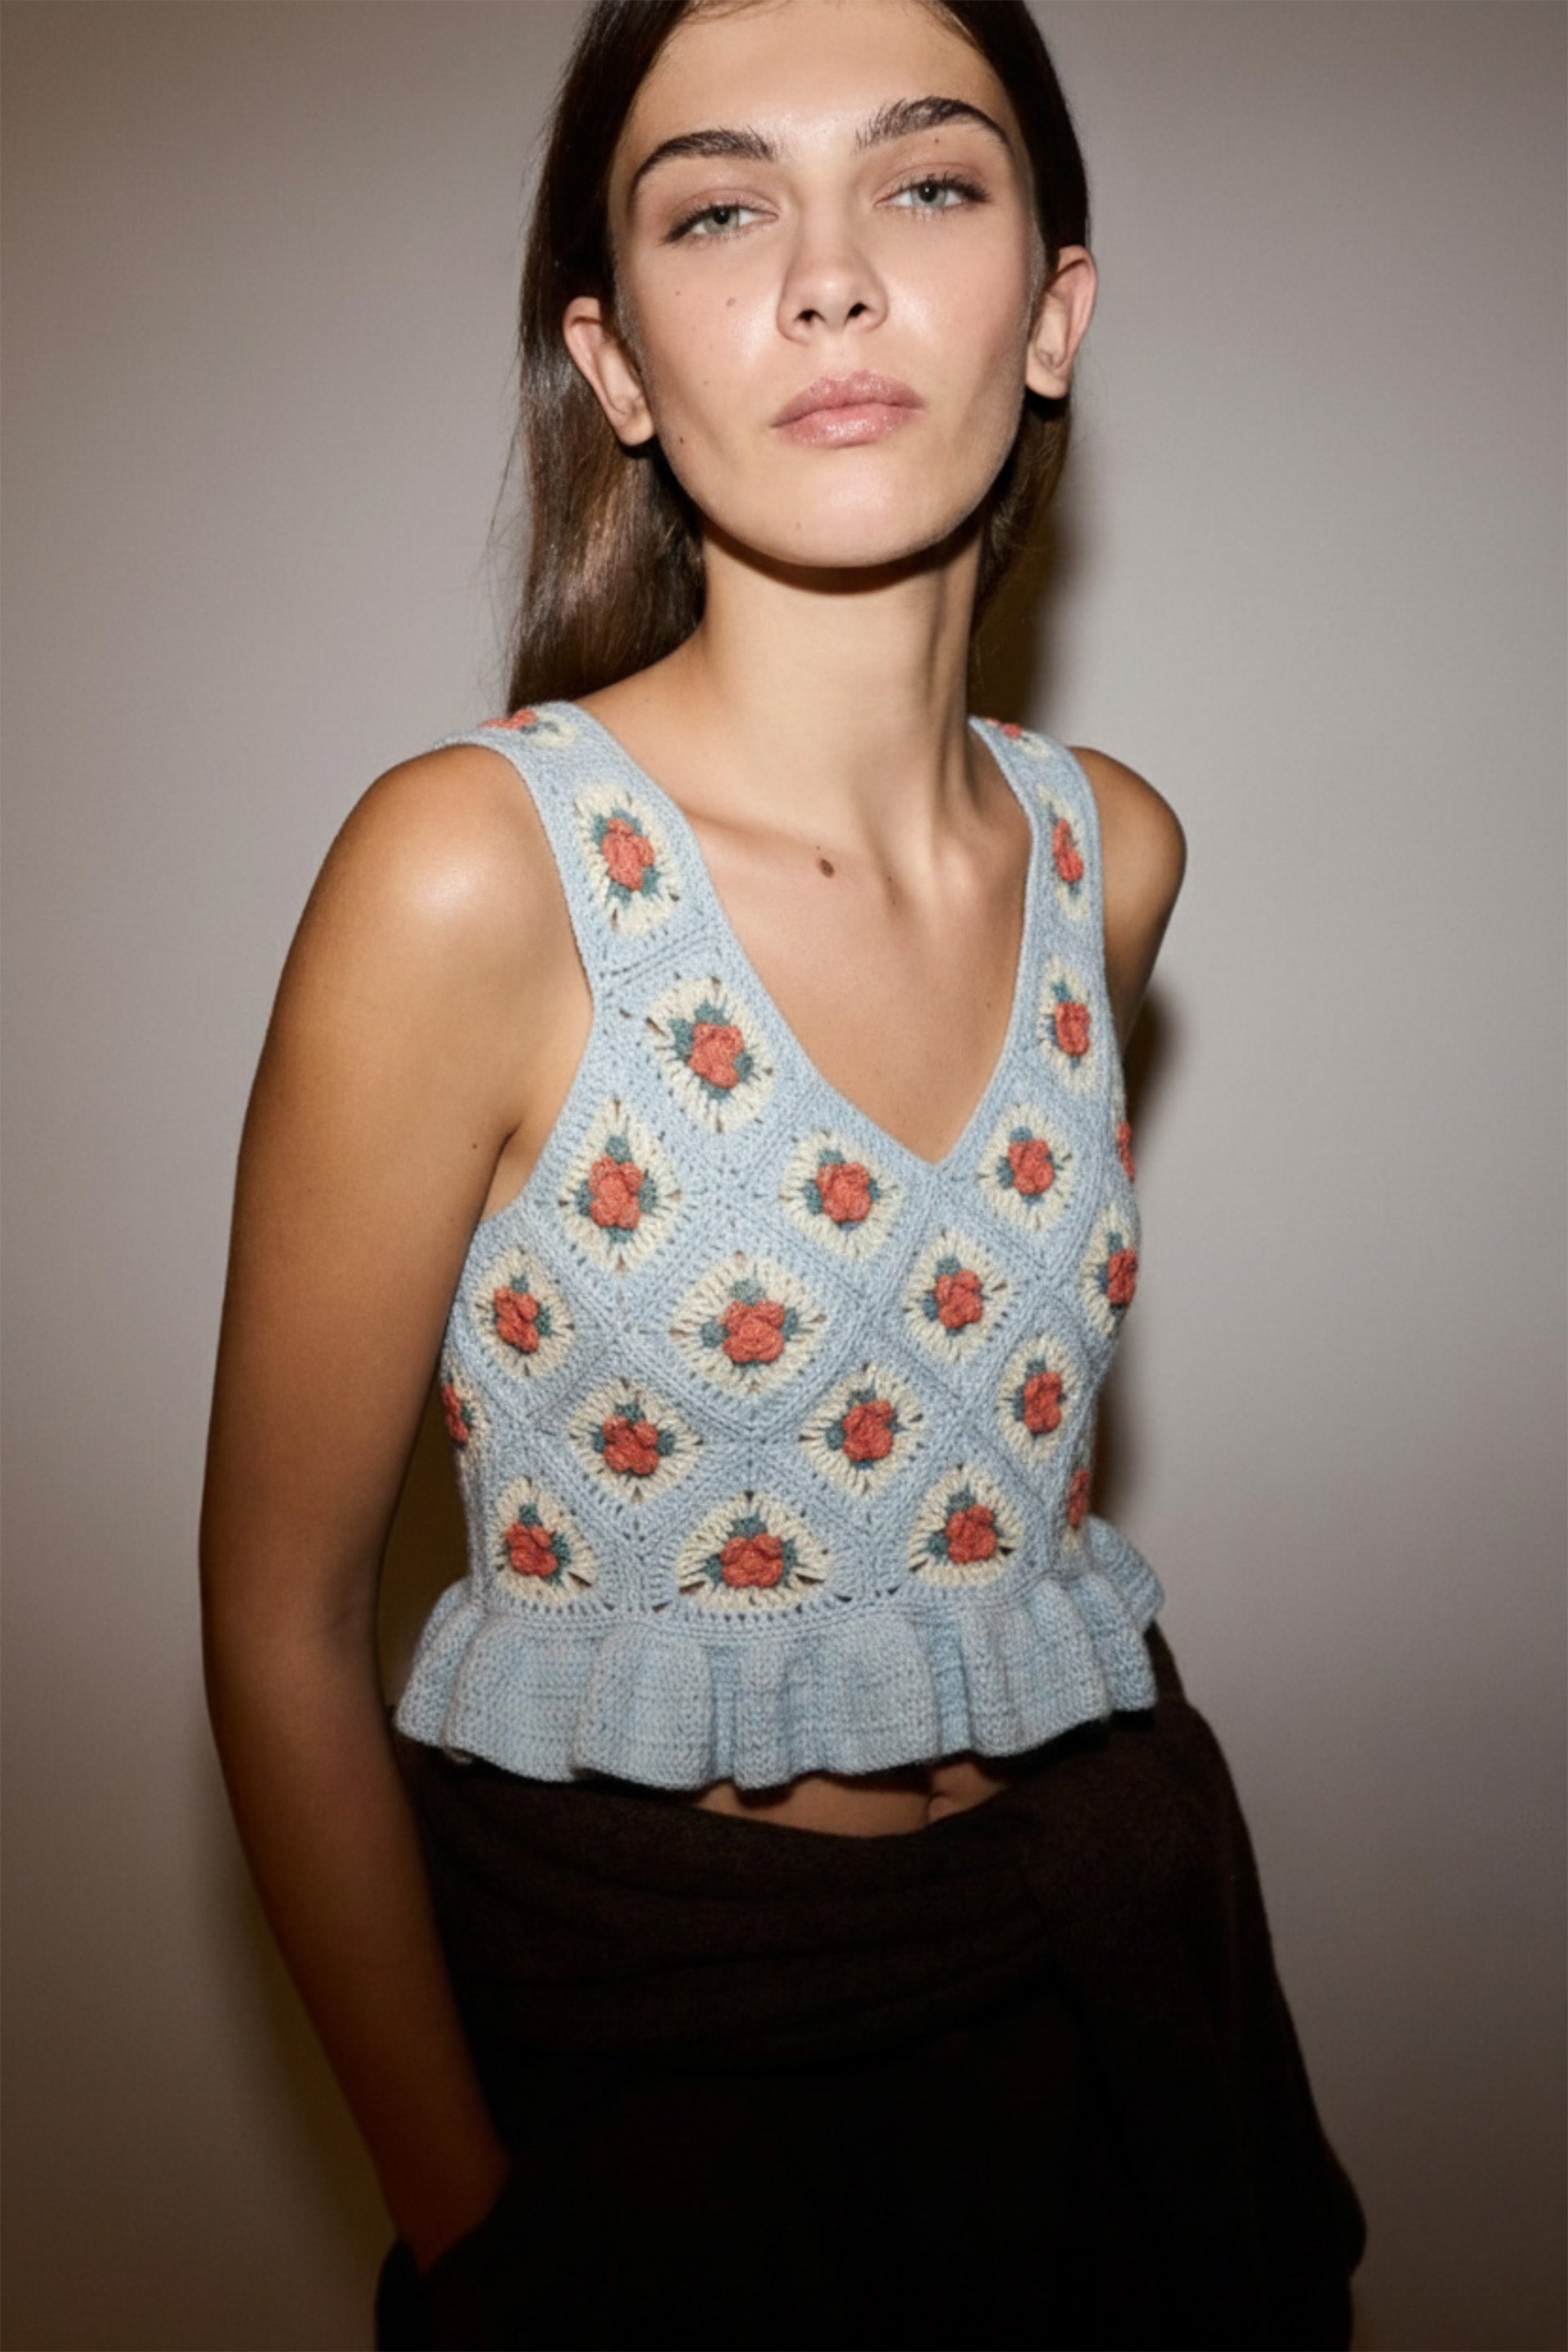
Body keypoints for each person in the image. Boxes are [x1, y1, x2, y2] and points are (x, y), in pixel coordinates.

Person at [199, 1, 1368, 2345]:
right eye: (720, 209)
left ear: (1052, 305)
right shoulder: (471, 873)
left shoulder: (1111, 856)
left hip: (1107, 2016)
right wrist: (483, 2234)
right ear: (617, 361)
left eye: (926, 183)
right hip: (653, 2072)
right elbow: (278, 1622)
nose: (828, 278)